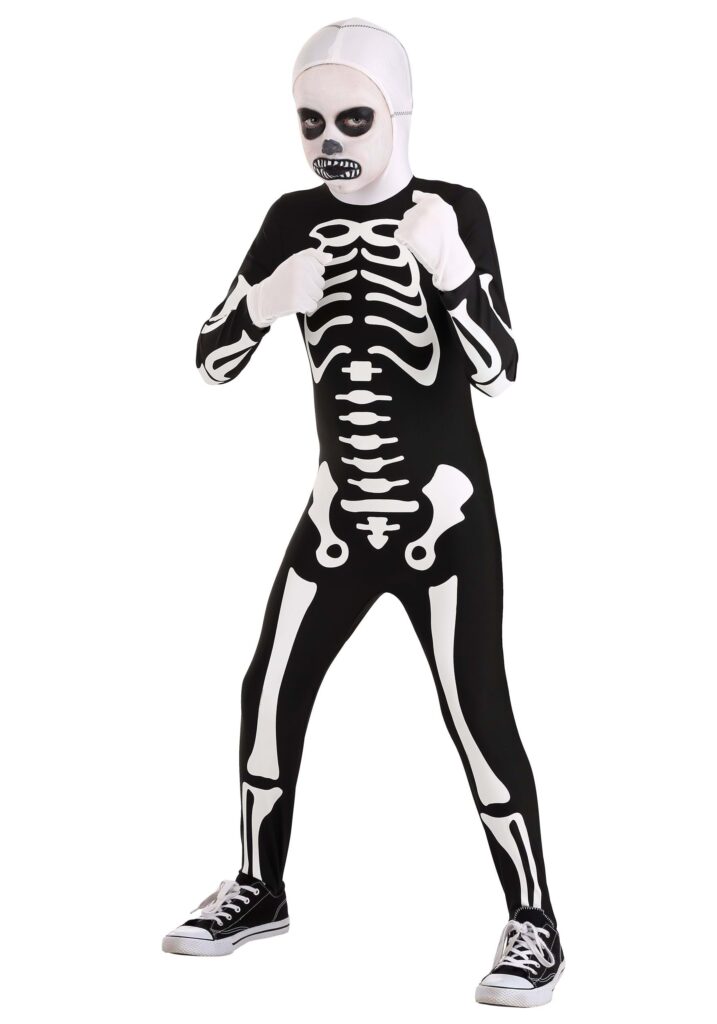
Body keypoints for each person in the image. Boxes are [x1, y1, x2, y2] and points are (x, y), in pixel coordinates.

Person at [162, 17, 565, 1008]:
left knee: (476, 711)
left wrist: (452, 272)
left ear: (399, 115)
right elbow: (212, 360)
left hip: (443, 521)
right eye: (311, 121)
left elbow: (501, 370)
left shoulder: (453, 209)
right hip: (337, 515)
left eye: (353, 118)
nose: (329, 140)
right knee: (267, 691)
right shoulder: (291, 219)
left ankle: (534, 921)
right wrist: (264, 300)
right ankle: (258, 886)